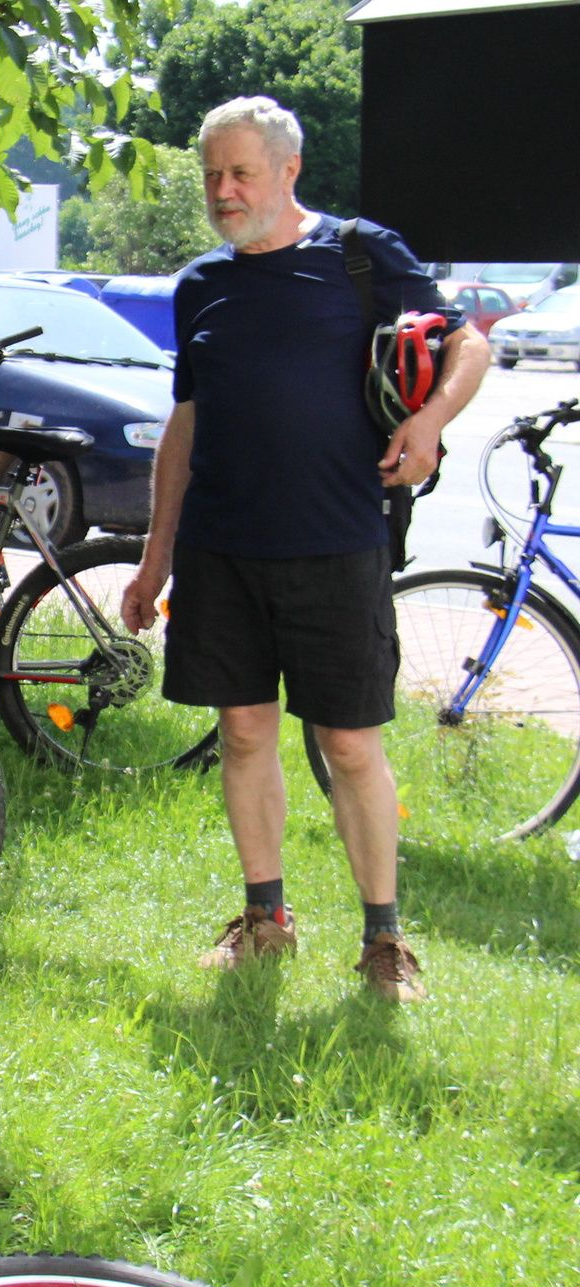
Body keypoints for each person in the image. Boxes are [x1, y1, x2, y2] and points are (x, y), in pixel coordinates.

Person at [120, 96, 490, 1002]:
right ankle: (265, 919)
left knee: (350, 744)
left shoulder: (361, 255)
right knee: (243, 731)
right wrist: (156, 555)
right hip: (221, 547)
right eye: (212, 174)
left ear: (289, 170)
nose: (223, 190)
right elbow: (186, 422)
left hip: (336, 540)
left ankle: (384, 939)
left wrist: (431, 423)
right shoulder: (201, 285)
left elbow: (468, 346)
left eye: (241, 173)